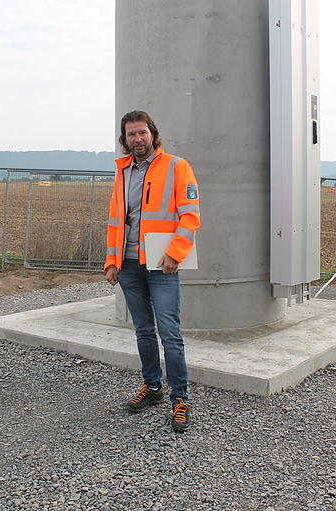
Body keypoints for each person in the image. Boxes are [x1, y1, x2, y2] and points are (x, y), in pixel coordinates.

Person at [104, 111, 200, 432]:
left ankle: (180, 399)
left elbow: (190, 215)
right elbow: (116, 220)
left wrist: (175, 253)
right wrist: (111, 261)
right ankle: (153, 388)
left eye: (142, 133)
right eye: (131, 134)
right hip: (129, 265)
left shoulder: (176, 166)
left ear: (153, 134)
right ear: (125, 139)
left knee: (170, 336)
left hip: (162, 265)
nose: (137, 139)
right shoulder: (122, 171)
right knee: (143, 331)